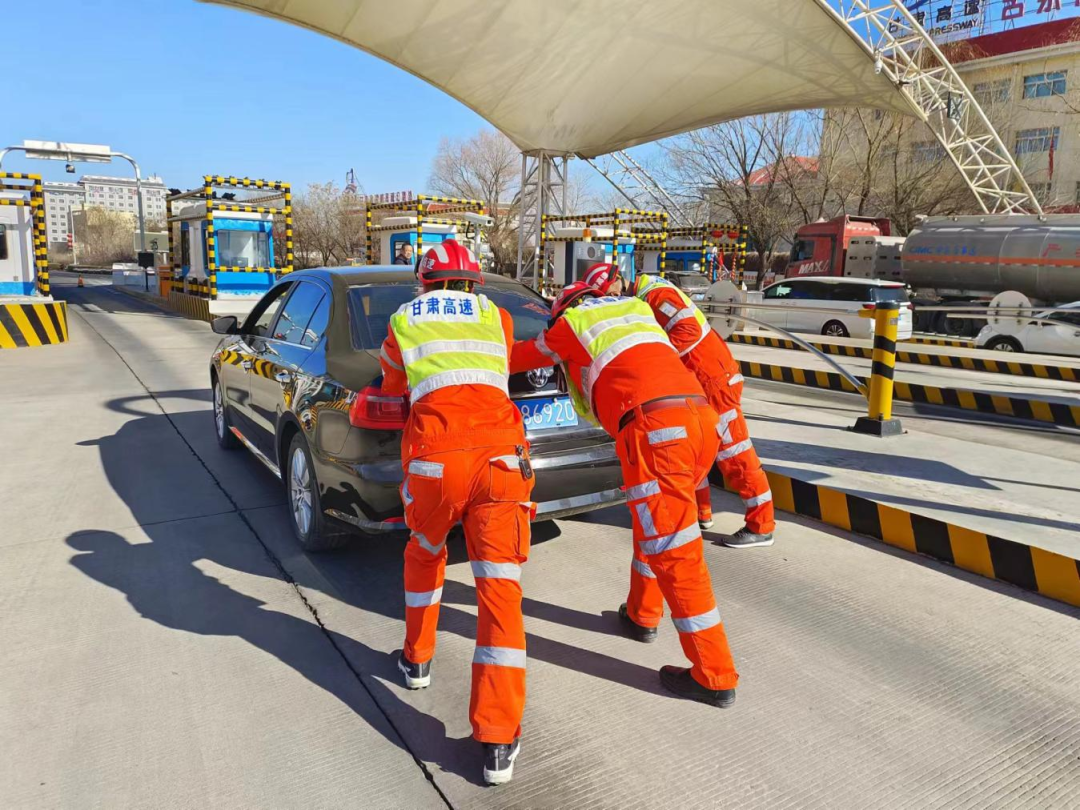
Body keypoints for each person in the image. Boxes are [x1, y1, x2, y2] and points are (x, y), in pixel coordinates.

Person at [511, 282, 739, 707]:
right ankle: (642, 614)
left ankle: (714, 673)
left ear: (563, 309)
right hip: (697, 419)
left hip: (656, 432)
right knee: (654, 525)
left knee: (676, 551)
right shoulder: (635, 310)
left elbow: (520, 356)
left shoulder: (572, 324)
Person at [380, 240, 533, 785]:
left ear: (425, 281)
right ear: (474, 283)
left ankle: (417, 661)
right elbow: (498, 370)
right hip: (498, 461)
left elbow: (394, 385)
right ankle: (496, 741)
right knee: (499, 591)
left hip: (434, 466)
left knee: (425, 552)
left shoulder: (403, 319)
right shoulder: (498, 315)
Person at [582, 263, 775, 549]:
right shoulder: (643, 299)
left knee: (734, 452)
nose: (608, 299)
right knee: (694, 451)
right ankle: (701, 514)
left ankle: (762, 525)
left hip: (712, 379)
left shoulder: (656, 295)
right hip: (697, 381)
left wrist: (658, 354)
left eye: (606, 292)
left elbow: (686, 329)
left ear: (617, 280)